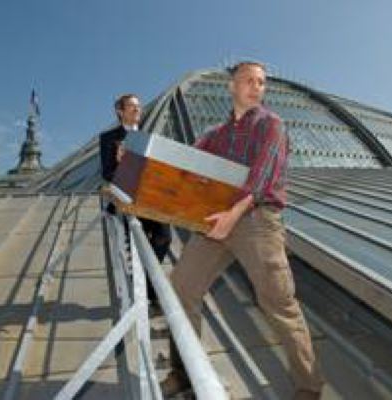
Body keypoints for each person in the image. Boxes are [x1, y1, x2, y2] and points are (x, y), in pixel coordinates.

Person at [162, 62, 325, 399]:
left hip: (256, 222)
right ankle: (186, 373)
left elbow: (262, 176)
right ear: (231, 87)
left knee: (278, 302)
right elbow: (183, 166)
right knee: (180, 291)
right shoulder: (213, 135)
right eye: (248, 80)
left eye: (262, 82)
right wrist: (131, 156)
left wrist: (234, 214)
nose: (256, 86)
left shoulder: (272, 125)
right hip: (216, 221)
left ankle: (309, 387)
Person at [99, 94, 171, 303]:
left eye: (138, 106)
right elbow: (107, 172)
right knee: (138, 245)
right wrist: (124, 163)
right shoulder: (109, 138)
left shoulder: (149, 137)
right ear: (120, 111)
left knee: (164, 237)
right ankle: (148, 293)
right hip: (128, 199)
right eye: (132, 106)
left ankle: (148, 286)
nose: (137, 110)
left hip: (150, 198)